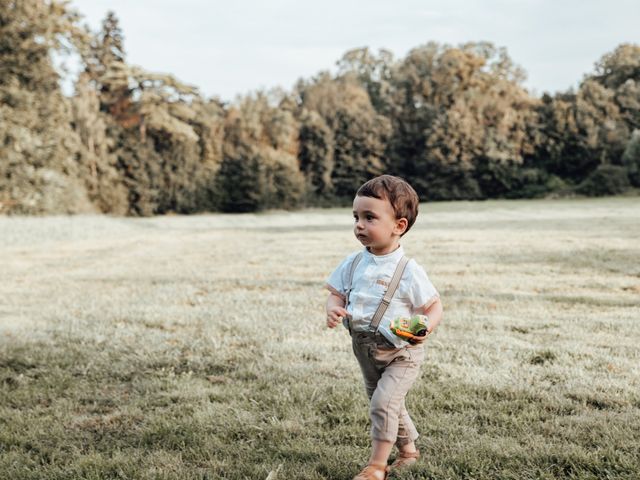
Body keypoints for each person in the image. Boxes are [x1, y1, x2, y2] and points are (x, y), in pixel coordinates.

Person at [325, 175, 443, 480]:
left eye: (369, 217)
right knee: (388, 402)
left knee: (382, 403)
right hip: (364, 348)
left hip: (401, 352)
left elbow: (433, 306)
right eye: (356, 217)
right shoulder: (353, 263)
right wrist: (333, 308)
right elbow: (335, 292)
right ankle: (409, 451)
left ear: (399, 226)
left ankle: (377, 466)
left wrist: (425, 328)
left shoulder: (408, 270)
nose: (359, 225)